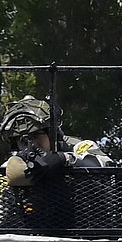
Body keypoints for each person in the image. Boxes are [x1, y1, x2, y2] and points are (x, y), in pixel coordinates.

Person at [2, 96, 108, 230]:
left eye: (36, 135)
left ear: (52, 134)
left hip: (85, 231)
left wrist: (64, 159)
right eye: (22, 140)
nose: (30, 144)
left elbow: (104, 167)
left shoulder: (77, 148)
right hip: (32, 238)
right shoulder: (14, 165)